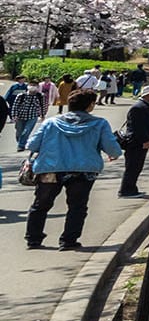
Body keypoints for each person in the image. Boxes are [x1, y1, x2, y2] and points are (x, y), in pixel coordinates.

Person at [23, 89, 121, 250]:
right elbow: (113, 149)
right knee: (77, 206)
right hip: (83, 170)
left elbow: (32, 145)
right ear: (90, 105)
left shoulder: (51, 122)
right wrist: (114, 153)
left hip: (50, 168)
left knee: (40, 204)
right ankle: (68, 241)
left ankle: (33, 239)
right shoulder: (99, 124)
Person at [117, 85, 149, 196]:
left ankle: (131, 188)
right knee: (133, 166)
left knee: (137, 166)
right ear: (147, 95)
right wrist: (146, 140)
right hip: (137, 142)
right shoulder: (138, 108)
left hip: (142, 142)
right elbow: (137, 127)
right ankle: (126, 190)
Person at [11, 81, 45, 152]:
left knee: (26, 131)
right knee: (19, 132)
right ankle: (21, 142)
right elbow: (15, 106)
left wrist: (42, 115)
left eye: (35, 85)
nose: (33, 86)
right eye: (31, 85)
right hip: (20, 116)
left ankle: (21, 146)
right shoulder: (21, 95)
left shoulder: (40, 96)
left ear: (37, 87)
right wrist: (14, 115)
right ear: (28, 86)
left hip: (32, 116)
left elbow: (43, 106)